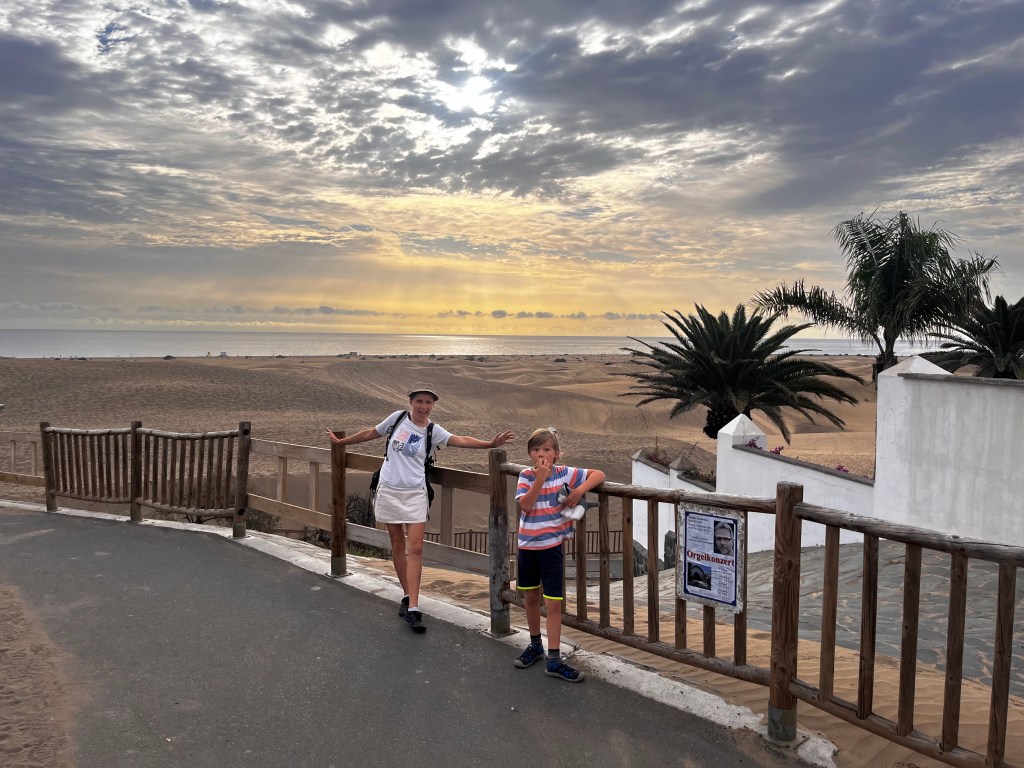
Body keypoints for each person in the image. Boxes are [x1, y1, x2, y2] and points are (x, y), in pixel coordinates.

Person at [326, 384, 514, 633]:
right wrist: (341, 442)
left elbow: (459, 439)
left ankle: (414, 607)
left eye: (428, 402)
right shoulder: (397, 418)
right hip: (388, 490)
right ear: (411, 402)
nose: (424, 407)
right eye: (420, 401)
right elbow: (372, 432)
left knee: (415, 548)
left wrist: (489, 444)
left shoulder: (433, 430)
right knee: (397, 544)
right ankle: (407, 595)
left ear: (433, 405)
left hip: (415, 493)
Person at [513, 427, 606, 682]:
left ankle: (553, 659)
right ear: (530, 454)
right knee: (531, 598)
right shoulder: (525, 476)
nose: (541, 454)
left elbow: (599, 474)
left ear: (556, 453)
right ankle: (535, 645)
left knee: (553, 603)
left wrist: (578, 491)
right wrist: (540, 478)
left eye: (547, 449)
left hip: (552, 547)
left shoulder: (565, 473)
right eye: (536, 449)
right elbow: (526, 505)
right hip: (527, 546)